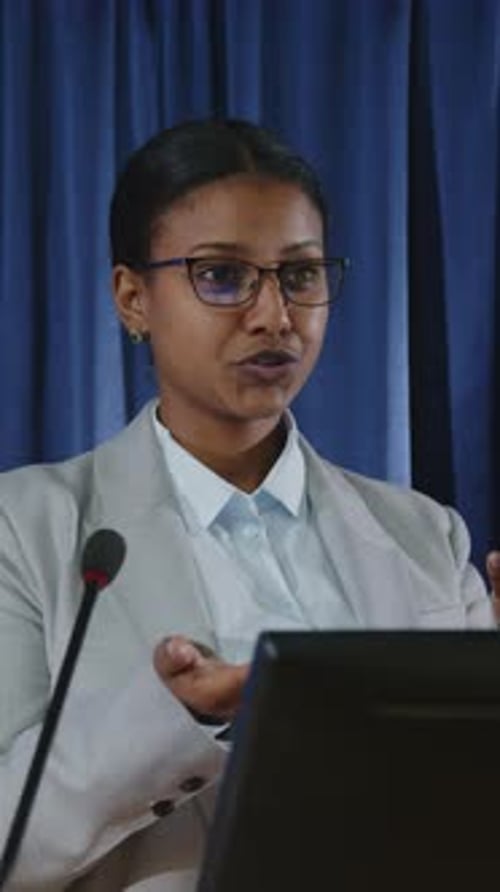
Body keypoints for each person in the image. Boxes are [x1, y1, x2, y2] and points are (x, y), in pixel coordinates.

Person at [0, 118, 498, 892]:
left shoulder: (426, 534)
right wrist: (176, 719)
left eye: (300, 276)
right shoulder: (26, 528)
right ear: (133, 298)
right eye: (222, 276)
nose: (275, 317)